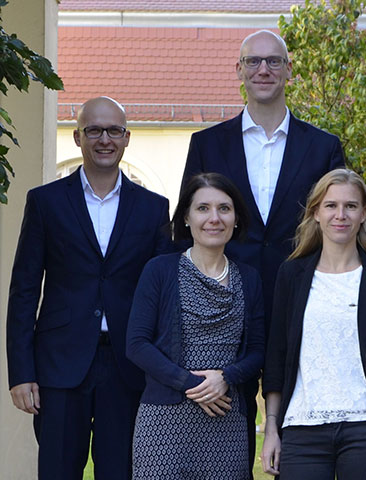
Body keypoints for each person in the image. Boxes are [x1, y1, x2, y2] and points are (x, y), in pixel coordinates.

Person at [182, 29, 345, 473]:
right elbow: (187, 227)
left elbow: (338, 222)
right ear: (238, 71)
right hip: (224, 300)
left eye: (274, 61)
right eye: (253, 62)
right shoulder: (208, 144)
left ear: (289, 71)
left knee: (299, 419)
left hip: (302, 296)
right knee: (224, 417)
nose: (264, 70)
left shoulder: (323, 146)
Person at [6, 96, 172, 479]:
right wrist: (21, 371)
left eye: (114, 130)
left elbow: (163, 296)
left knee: (122, 472)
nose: (104, 139)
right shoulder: (46, 202)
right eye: (94, 130)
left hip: (127, 367)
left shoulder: (153, 208)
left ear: (127, 137)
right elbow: (24, 289)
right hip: (58, 366)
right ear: (78, 137)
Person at [261, 169, 366, 479]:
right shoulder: (291, 276)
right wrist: (271, 429)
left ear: (364, 214)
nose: (340, 215)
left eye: (351, 206)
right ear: (316, 213)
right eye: (331, 205)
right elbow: (276, 359)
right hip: (301, 430)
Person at [126, 172, 265, 479]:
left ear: (237, 218)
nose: (213, 218)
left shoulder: (250, 278)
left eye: (224, 209)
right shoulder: (160, 270)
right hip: (163, 423)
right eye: (202, 208)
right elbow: (137, 344)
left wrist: (226, 378)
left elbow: (258, 351)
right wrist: (194, 385)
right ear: (186, 217)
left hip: (226, 419)